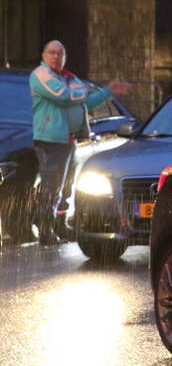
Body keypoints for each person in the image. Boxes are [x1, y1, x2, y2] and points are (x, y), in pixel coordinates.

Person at [29, 40, 130, 245]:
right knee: (51, 184)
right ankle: (45, 227)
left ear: (65, 57)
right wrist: (81, 93)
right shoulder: (40, 75)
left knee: (65, 185)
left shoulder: (69, 78)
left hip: (69, 140)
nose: (56, 56)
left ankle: (59, 223)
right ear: (43, 56)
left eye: (60, 53)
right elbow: (62, 96)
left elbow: (85, 102)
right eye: (52, 52)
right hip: (50, 140)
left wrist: (107, 91)